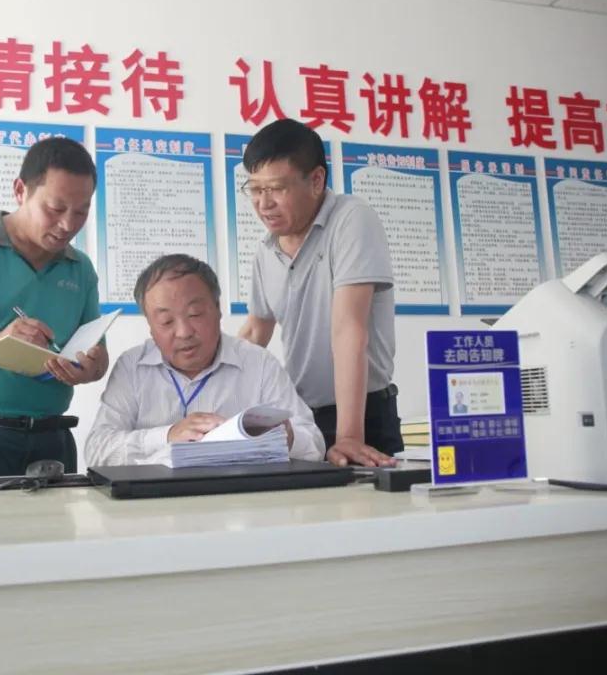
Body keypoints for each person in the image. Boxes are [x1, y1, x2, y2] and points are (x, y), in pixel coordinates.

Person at [0, 137, 109, 476]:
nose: (68, 225)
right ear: (20, 191)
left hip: (53, 437)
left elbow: (98, 356)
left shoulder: (81, 268)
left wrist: (91, 368)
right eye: (55, 209)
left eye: (81, 211)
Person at [237, 119, 401, 467]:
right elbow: (254, 332)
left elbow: (349, 329)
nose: (263, 204)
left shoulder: (351, 219)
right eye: (255, 189)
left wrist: (350, 437)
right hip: (303, 417)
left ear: (315, 180)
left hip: (363, 417)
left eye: (276, 189)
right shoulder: (265, 249)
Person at [86, 254, 324, 467]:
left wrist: (288, 437)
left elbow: (314, 443)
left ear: (218, 309)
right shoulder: (132, 367)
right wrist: (167, 435)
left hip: (240, 497)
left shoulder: (258, 363)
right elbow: (96, 451)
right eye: (166, 322)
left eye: (195, 314)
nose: (184, 332)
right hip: (156, 499)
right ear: (150, 327)